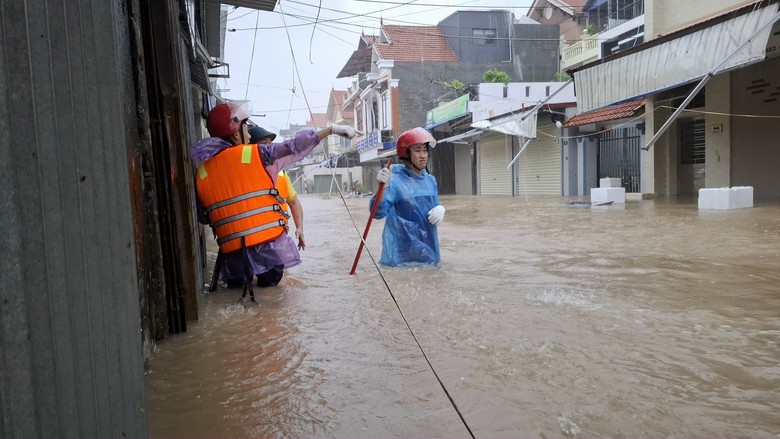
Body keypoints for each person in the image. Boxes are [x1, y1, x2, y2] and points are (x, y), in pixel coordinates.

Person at [192, 101, 355, 299]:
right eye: (246, 129)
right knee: (273, 298)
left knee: (234, 298)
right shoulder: (258, 155)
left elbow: (203, 217)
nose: (249, 136)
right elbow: (294, 146)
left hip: (232, 258)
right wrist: (330, 130)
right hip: (267, 250)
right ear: (235, 134)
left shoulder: (201, 171)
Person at [369, 127, 445, 267]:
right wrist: (381, 188)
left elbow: (434, 205)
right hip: (401, 259)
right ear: (405, 154)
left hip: (429, 255)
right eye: (417, 150)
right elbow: (377, 213)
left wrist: (440, 208)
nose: (423, 155)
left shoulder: (430, 180)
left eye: (425, 150)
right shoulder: (394, 181)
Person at [248, 125, 306, 251]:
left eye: (270, 143)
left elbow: (294, 202)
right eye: (264, 143)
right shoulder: (244, 173)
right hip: (252, 242)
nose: (269, 147)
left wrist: (299, 228)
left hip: (278, 238)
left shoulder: (281, 174)